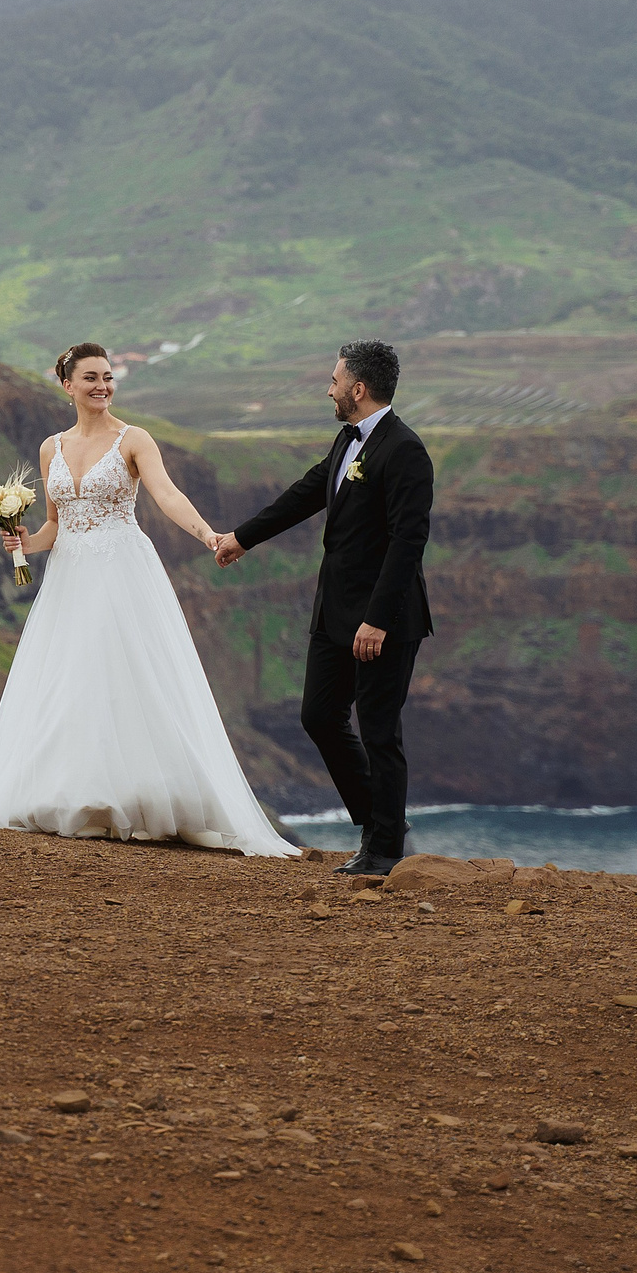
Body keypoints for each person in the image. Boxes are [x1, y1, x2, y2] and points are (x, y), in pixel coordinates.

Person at [0, 343, 298, 856]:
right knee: (73, 679)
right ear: (67, 385)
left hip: (121, 569)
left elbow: (166, 494)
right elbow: (56, 525)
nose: (102, 386)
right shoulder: (50, 447)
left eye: (108, 377)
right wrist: (22, 542)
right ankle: (79, 795)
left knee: (124, 675)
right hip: (70, 577)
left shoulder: (134, 439)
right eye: (91, 378)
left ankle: (138, 797)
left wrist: (209, 536)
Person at [212, 340, 433, 876]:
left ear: (358, 389)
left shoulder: (405, 450)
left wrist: (377, 619)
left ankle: (383, 853)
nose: (328, 389)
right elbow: (307, 493)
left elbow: (409, 541)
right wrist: (243, 537)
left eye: (334, 381)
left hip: (383, 621)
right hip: (333, 613)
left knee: (380, 730)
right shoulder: (347, 440)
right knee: (318, 716)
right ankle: (381, 820)